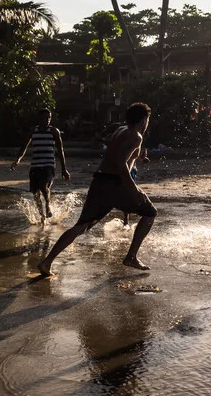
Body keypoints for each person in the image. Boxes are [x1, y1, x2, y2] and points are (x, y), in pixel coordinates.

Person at [36, 103, 157, 276]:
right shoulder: (135, 136)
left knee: (81, 225)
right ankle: (131, 256)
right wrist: (134, 189)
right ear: (143, 119)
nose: (148, 123)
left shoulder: (121, 130)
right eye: (148, 119)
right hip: (115, 184)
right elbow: (120, 164)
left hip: (100, 180)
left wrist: (138, 156)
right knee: (150, 213)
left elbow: (115, 150)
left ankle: (47, 262)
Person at [11, 108, 69, 220]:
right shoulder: (33, 131)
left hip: (49, 165)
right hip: (35, 165)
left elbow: (60, 150)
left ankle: (47, 205)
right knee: (35, 192)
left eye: (49, 118)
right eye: (45, 117)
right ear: (39, 118)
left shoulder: (54, 131)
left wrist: (64, 169)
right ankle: (42, 216)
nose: (47, 120)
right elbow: (24, 147)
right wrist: (18, 160)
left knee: (43, 186)